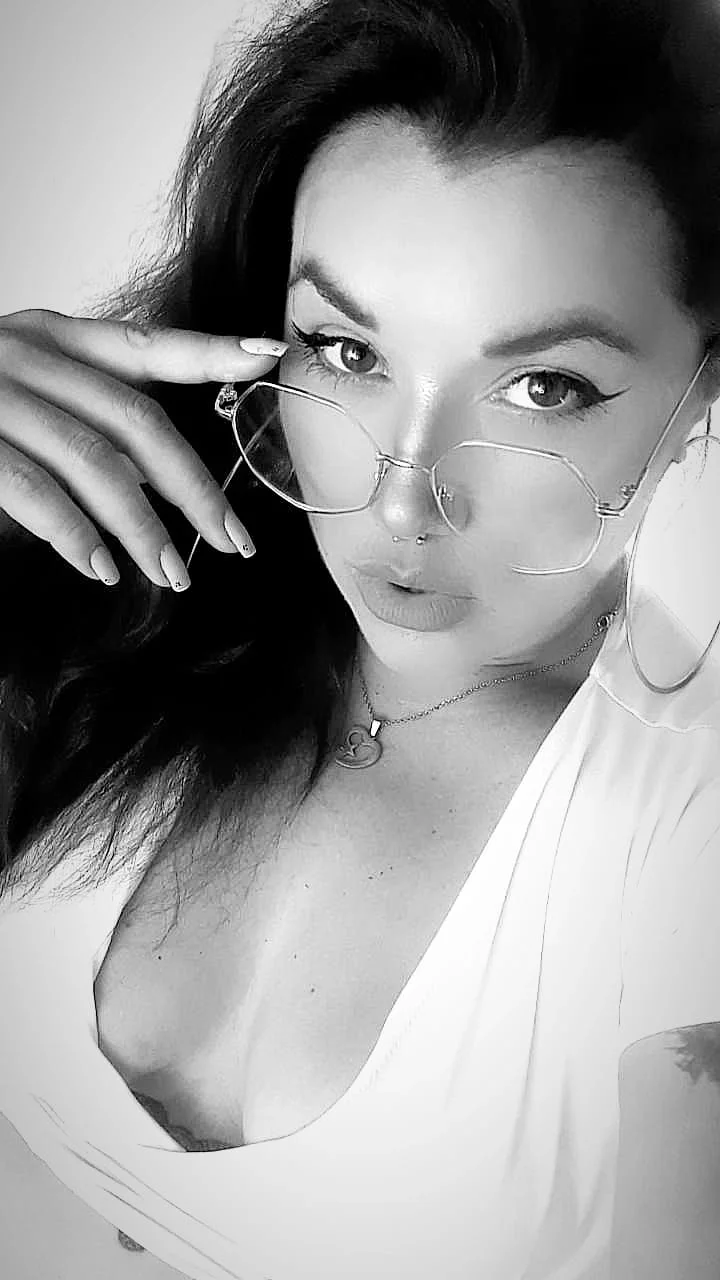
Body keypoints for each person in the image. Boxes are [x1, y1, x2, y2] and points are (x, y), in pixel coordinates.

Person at [1, 0, 719, 1275]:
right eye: (346, 350)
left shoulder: (684, 830)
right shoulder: (124, 607)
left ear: (701, 393)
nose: (402, 498)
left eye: (542, 386)